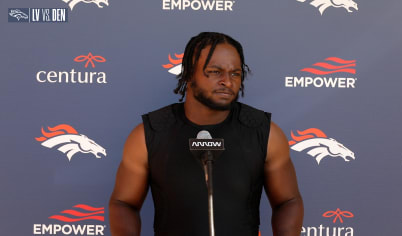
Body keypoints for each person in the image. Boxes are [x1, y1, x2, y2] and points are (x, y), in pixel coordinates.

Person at [109, 32, 303, 236]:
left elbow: (288, 201)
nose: (227, 81)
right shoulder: (149, 134)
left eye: (235, 73)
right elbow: (124, 203)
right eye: (215, 71)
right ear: (189, 74)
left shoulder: (265, 133)